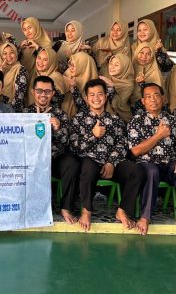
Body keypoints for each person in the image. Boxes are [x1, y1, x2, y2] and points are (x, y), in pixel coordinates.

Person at [69, 79, 145, 231]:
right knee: (88, 167)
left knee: (137, 171)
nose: (96, 98)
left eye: (100, 94)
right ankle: (86, 210)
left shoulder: (115, 120)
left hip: (112, 164)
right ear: (86, 98)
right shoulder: (78, 119)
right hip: (89, 162)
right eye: (92, 95)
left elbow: (122, 145)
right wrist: (93, 135)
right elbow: (74, 147)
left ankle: (122, 211)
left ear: (106, 96)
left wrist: (111, 162)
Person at [127, 83, 176, 237]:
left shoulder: (173, 121)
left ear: (163, 98)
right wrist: (158, 135)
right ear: (143, 101)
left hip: (170, 164)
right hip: (147, 163)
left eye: (156, 95)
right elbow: (135, 151)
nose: (153, 99)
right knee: (151, 171)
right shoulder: (136, 121)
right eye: (148, 97)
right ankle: (145, 217)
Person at [23, 76, 79, 223]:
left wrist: (58, 128)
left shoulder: (60, 114)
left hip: (54, 159)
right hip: (32, 160)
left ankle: (66, 207)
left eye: (47, 91)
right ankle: (29, 208)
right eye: (39, 90)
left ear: (53, 93)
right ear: (33, 92)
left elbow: (67, 142)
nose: (43, 94)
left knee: (71, 163)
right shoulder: (24, 114)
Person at [99, 53, 135, 121]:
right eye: (111, 63)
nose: (112, 67)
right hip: (102, 114)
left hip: (120, 117)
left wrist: (112, 88)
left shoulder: (128, 84)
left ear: (124, 67)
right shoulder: (105, 76)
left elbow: (119, 105)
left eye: (116, 65)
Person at [61, 51, 99, 118]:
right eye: (70, 65)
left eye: (74, 65)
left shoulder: (97, 86)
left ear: (83, 66)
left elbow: (87, 111)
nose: (70, 68)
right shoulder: (67, 77)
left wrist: (74, 89)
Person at [131, 42, 165, 115]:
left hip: (152, 111)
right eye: (141, 52)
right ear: (136, 53)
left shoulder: (155, 72)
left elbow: (157, 96)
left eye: (148, 54)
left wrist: (142, 84)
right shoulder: (130, 69)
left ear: (152, 56)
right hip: (129, 108)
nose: (144, 56)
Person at [0, 42, 28, 112]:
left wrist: (9, 112)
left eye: (12, 52)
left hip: (12, 111)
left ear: (16, 54)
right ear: (1, 55)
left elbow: (19, 96)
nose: (9, 56)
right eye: (5, 53)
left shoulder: (20, 69)